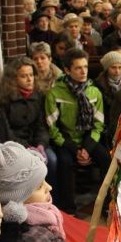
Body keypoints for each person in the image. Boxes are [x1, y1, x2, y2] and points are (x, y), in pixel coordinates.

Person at [45, 48, 108, 214]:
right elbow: (52, 128)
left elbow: (99, 124)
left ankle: (106, 204)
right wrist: (75, 149)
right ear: (67, 70)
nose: (83, 71)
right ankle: (68, 208)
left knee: (106, 158)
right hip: (66, 140)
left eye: (85, 67)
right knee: (64, 162)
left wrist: (87, 148)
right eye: (78, 68)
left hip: (88, 138)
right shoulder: (55, 93)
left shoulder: (94, 91)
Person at [0, 56, 56, 188]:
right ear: (13, 79)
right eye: (23, 76)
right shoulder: (3, 98)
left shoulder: (39, 95)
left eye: (31, 75)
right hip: (14, 145)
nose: (29, 79)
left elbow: (41, 126)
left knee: (51, 160)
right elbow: (6, 130)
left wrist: (41, 145)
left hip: (35, 142)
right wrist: (26, 148)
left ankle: (50, 197)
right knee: (26, 165)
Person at [94, 50, 121, 117]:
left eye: (120, 67)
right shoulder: (99, 84)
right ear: (106, 68)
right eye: (113, 67)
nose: (117, 71)